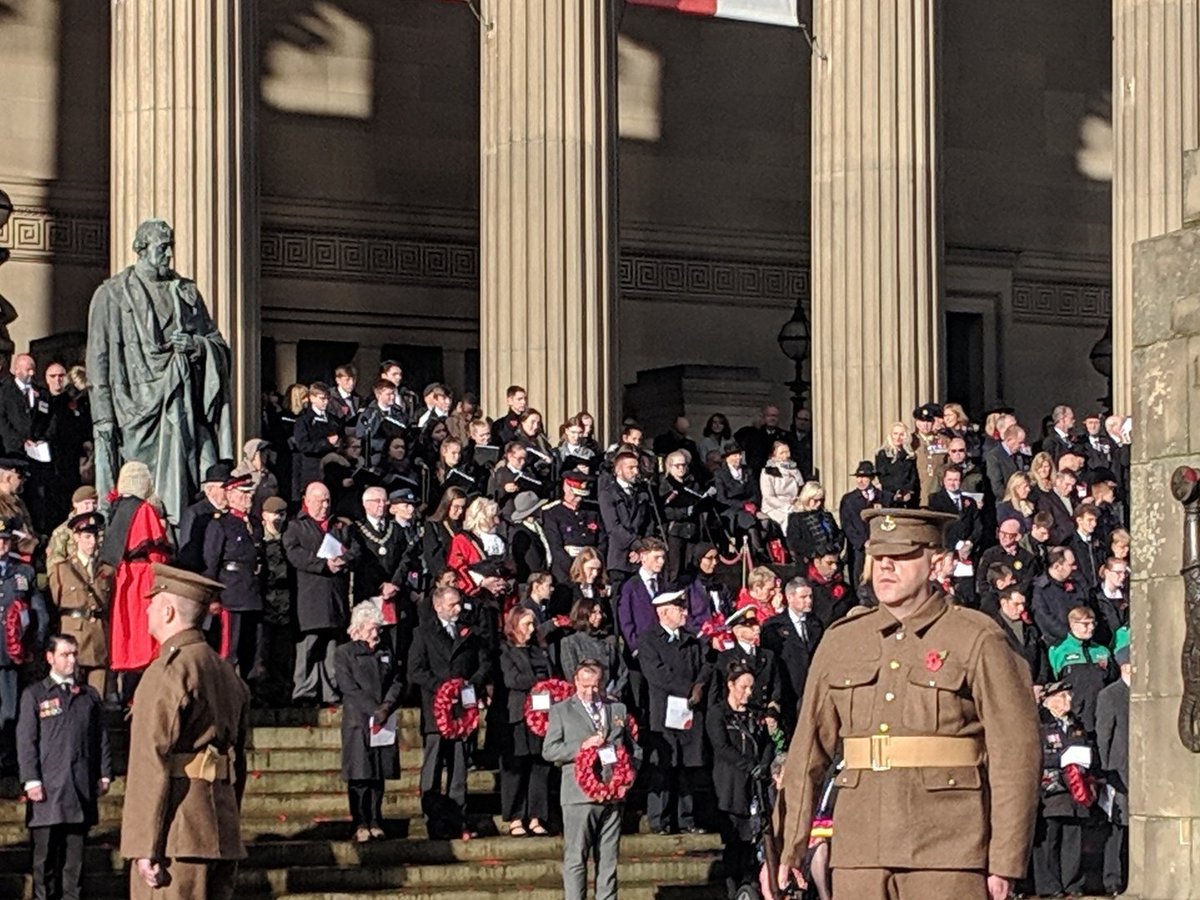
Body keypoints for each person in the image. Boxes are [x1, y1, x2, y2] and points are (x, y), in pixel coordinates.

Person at [777, 508, 1041, 900]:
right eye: (878, 555)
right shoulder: (842, 640)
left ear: (935, 561)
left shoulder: (977, 639)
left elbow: (1015, 753)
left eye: (901, 556)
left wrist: (1005, 858)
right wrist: (790, 844)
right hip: (859, 848)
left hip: (948, 849)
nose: (885, 566)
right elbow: (807, 750)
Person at [87, 219, 234, 526]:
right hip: (132, 410)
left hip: (180, 403)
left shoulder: (186, 292)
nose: (169, 254)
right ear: (141, 249)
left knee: (190, 478)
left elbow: (218, 345)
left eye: (171, 247)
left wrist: (195, 345)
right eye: (162, 247)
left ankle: (181, 544)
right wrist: (103, 416)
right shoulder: (112, 294)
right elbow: (97, 359)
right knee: (136, 492)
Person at [119, 563, 250, 900]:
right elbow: (238, 761)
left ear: (168, 610)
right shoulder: (225, 672)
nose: (147, 608)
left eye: (152, 602)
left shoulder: (169, 671)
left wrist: (143, 844)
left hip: (176, 834)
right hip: (219, 826)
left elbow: (150, 759)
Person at [17, 633, 113, 900]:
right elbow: (26, 740)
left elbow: (100, 737)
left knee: (75, 864)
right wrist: (31, 780)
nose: (71, 659)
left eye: (74, 654)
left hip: (79, 788)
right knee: (44, 861)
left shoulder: (88, 696)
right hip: (47, 791)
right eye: (65, 654)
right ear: (50, 658)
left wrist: (104, 773)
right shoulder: (34, 695)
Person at [543, 659, 641, 900]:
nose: (590, 691)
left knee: (608, 859)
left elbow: (633, 747)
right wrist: (581, 747)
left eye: (595, 686)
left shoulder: (617, 709)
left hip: (613, 794)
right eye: (585, 686)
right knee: (576, 857)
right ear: (575, 681)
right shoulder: (561, 710)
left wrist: (629, 774)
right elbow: (549, 750)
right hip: (578, 795)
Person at [407, 585, 492, 840]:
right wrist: (443, 688)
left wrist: (471, 684)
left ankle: (459, 821)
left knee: (459, 770)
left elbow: (484, 662)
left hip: (462, 711)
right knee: (432, 769)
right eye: (453, 604)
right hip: (437, 710)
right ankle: (434, 821)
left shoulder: (470, 633)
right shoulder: (423, 633)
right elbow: (416, 670)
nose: (458, 608)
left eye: (459, 603)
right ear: (438, 606)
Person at [638, 590, 710, 834]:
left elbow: (704, 664)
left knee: (688, 765)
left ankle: (686, 818)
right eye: (680, 609)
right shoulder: (649, 640)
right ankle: (659, 819)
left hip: (690, 709)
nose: (685, 613)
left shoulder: (690, 640)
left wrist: (700, 684)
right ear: (664, 612)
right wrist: (689, 688)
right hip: (664, 709)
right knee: (663, 766)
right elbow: (657, 674)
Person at [334, 602, 405, 843]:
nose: (376, 633)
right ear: (360, 628)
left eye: (378, 628)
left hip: (383, 719)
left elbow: (396, 680)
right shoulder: (344, 652)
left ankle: (376, 819)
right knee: (360, 775)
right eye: (372, 628)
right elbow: (348, 687)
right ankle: (360, 821)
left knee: (378, 774)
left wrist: (386, 707)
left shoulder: (385, 650)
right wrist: (373, 710)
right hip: (358, 721)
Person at [101, 461, 171, 705]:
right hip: (143, 577)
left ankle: (125, 691)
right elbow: (156, 552)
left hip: (124, 578)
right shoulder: (144, 510)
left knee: (127, 628)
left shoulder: (116, 508)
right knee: (145, 629)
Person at [284, 481, 357, 705]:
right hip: (310, 596)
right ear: (307, 501)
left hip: (335, 595)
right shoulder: (296, 526)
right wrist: (323, 564)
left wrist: (342, 560)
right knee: (309, 645)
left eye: (327, 500)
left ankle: (330, 692)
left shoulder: (339, 525)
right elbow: (294, 553)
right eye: (319, 500)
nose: (325, 505)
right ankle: (304, 692)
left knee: (332, 646)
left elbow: (355, 549)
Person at [707, 660, 774, 898]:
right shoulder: (718, 713)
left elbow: (767, 743)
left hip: (754, 786)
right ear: (730, 685)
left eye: (751, 687)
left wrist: (763, 766)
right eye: (744, 687)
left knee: (752, 842)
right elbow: (722, 747)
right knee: (734, 843)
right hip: (731, 783)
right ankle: (732, 890)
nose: (748, 692)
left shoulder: (755, 713)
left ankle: (750, 885)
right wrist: (750, 766)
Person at [1032, 680, 1095, 899]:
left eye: (1069, 695)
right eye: (1064, 696)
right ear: (1050, 701)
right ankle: (1049, 885)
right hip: (1051, 790)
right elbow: (1036, 755)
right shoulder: (1041, 724)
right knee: (1050, 839)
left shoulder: (1076, 724)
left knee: (1072, 839)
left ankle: (1072, 883)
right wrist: (1061, 758)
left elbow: (1087, 747)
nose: (1069, 700)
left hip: (1075, 792)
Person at [202, 470, 264, 679]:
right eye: (243, 493)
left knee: (252, 648)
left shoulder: (254, 524)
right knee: (230, 648)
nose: (248, 498)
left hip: (252, 591)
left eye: (250, 494)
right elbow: (211, 562)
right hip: (231, 593)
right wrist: (213, 596)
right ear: (229, 495)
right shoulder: (220, 524)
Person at [498, 607, 552, 836]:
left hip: (540, 716)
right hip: (517, 715)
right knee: (516, 767)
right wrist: (539, 682)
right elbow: (512, 679)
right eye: (527, 624)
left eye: (533, 624)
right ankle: (516, 817)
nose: (531, 629)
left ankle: (536, 816)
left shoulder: (539, 650)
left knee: (539, 767)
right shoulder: (505, 651)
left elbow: (550, 675)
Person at [48, 512, 113, 695]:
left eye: (95, 536)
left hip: (99, 638)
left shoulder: (107, 570)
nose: (92, 542)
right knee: (71, 695)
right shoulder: (62, 569)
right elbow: (54, 603)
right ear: (76, 537)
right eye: (86, 536)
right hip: (73, 636)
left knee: (98, 696)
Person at [761, 577, 824, 739]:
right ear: (789, 597)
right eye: (803, 597)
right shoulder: (773, 627)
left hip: (811, 689)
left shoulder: (816, 624)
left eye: (810, 596)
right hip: (787, 690)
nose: (808, 601)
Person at [1096, 645, 1130, 896]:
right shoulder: (1110, 695)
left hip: (1142, 772)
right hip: (1119, 770)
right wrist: (1107, 769)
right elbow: (1104, 734)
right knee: (1117, 828)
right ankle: (1112, 880)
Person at [1048, 606, 1113, 732]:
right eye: (1086, 624)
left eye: (1093, 623)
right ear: (1073, 624)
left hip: (1101, 712)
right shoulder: (1058, 651)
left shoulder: (1102, 651)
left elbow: (1112, 679)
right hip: (1075, 715)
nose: (1091, 628)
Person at [597, 450, 652, 589]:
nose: (635, 472)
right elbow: (613, 527)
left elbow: (648, 522)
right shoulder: (608, 493)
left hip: (640, 556)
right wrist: (636, 544)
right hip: (619, 556)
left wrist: (643, 546)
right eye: (630, 468)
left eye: (636, 467)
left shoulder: (641, 492)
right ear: (618, 470)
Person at [258, 496, 294, 707]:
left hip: (285, 606)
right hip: (265, 604)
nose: (278, 518)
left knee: (282, 655)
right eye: (274, 514)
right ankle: (262, 695)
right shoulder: (258, 537)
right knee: (263, 654)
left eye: (281, 514)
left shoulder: (287, 537)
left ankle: (281, 694)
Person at [559, 595, 627, 701]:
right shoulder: (570, 642)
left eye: (600, 612)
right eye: (594, 613)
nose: (599, 616)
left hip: (609, 697)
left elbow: (622, 671)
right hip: (584, 699)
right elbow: (572, 675)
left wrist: (614, 693)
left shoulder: (609, 640)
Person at [542, 472, 606, 585]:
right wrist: (575, 566)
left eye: (581, 496)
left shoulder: (593, 512)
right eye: (576, 495)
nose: (578, 499)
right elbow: (555, 546)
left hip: (590, 566)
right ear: (566, 488)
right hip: (565, 568)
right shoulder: (553, 513)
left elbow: (602, 540)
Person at [837, 461, 891, 584]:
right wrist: (861, 542)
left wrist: (881, 538)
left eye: (864, 477)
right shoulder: (848, 499)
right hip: (858, 549)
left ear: (872, 478)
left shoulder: (884, 497)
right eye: (858, 477)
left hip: (879, 545)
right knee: (858, 578)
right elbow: (846, 524)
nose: (860, 481)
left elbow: (889, 520)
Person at [658, 450, 707, 584]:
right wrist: (685, 511)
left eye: (684, 465)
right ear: (669, 466)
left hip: (692, 530)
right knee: (675, 569)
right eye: (677, 465)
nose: (681, 468)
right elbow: (665, 511)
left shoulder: (692, 483)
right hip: (675, 531)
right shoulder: (665, 485)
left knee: (691, 567)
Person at [176, 462, 231, 572]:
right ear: (209, 490)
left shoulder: (229, 512)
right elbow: (188, 550)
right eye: (224, 488)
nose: (228, 492)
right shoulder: (195, 513)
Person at [714, 443, 765, 560]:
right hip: (730, 509)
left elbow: (755, 492)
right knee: (748, 520)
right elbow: (721, 499)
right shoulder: (720, 474)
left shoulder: (748, 470)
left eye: (739, 454)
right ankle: (758, 551)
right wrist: (743, 505)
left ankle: (760, 549)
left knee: (766, 521)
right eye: (735, 455)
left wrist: (751, 503)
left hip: (749, 506)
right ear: (727, 457)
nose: (739, 458)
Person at [990, 587, 1048, 685]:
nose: (1021, 609)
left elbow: (1042, 657)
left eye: (1023, 604)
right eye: (1016, 604)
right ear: (1004, 603)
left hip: (1035, 686)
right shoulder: (993, 629)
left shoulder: (1030, 627)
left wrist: (1040, 682)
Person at [1031, 547, 1082, 646]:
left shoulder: (1076, 583)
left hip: (1079, 639)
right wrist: (1070, 635)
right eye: (1071, 565)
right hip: (1056, 644)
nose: (1075, 567)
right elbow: (1045, 619)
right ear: (1057, 566)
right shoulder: (1040, 589)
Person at [785, 481, 844, 565]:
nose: (819, 503)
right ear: (807, 498)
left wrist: (836, 546)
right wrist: (816, 550)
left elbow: (838, 534)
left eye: (821, 500)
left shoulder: (827, 516)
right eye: (815, 500)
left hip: (831, 560)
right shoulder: (796, 518)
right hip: (809, 563)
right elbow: (794, 542)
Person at [682, 541, 734, 631]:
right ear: (698, 560)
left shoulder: (721, 586)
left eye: (716, 558)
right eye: (710, 558)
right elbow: (687, 619)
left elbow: (729, 612)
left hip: (724, 632)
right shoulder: (689, 587)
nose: (714, 562)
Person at [46, 485, 100, 569]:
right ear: (75, 504)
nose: (91, 507)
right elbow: (54, 561)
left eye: (94, 503)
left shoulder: (100, 527)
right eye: (87, 503)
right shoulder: (63, 531)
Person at [759, 441, 803, 533]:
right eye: (782, 453)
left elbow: (801, 489)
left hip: (793, 505)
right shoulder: (768, 472)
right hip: (774, 507)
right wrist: (787, 507)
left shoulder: (795, 470)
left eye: (787, 452)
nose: (786, 456)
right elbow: (769, 497)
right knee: (788, 520)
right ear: (774, 456)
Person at [874, 423, 918, 507]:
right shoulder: (882, 454)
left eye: (901, 434)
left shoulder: (910, 456)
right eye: (895, 434)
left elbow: (913, 477)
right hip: (889, 498)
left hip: (907, 499)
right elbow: (883, 477)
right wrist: (898, 491)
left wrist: (907, 490)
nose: (898, 437)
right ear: (891, 435)